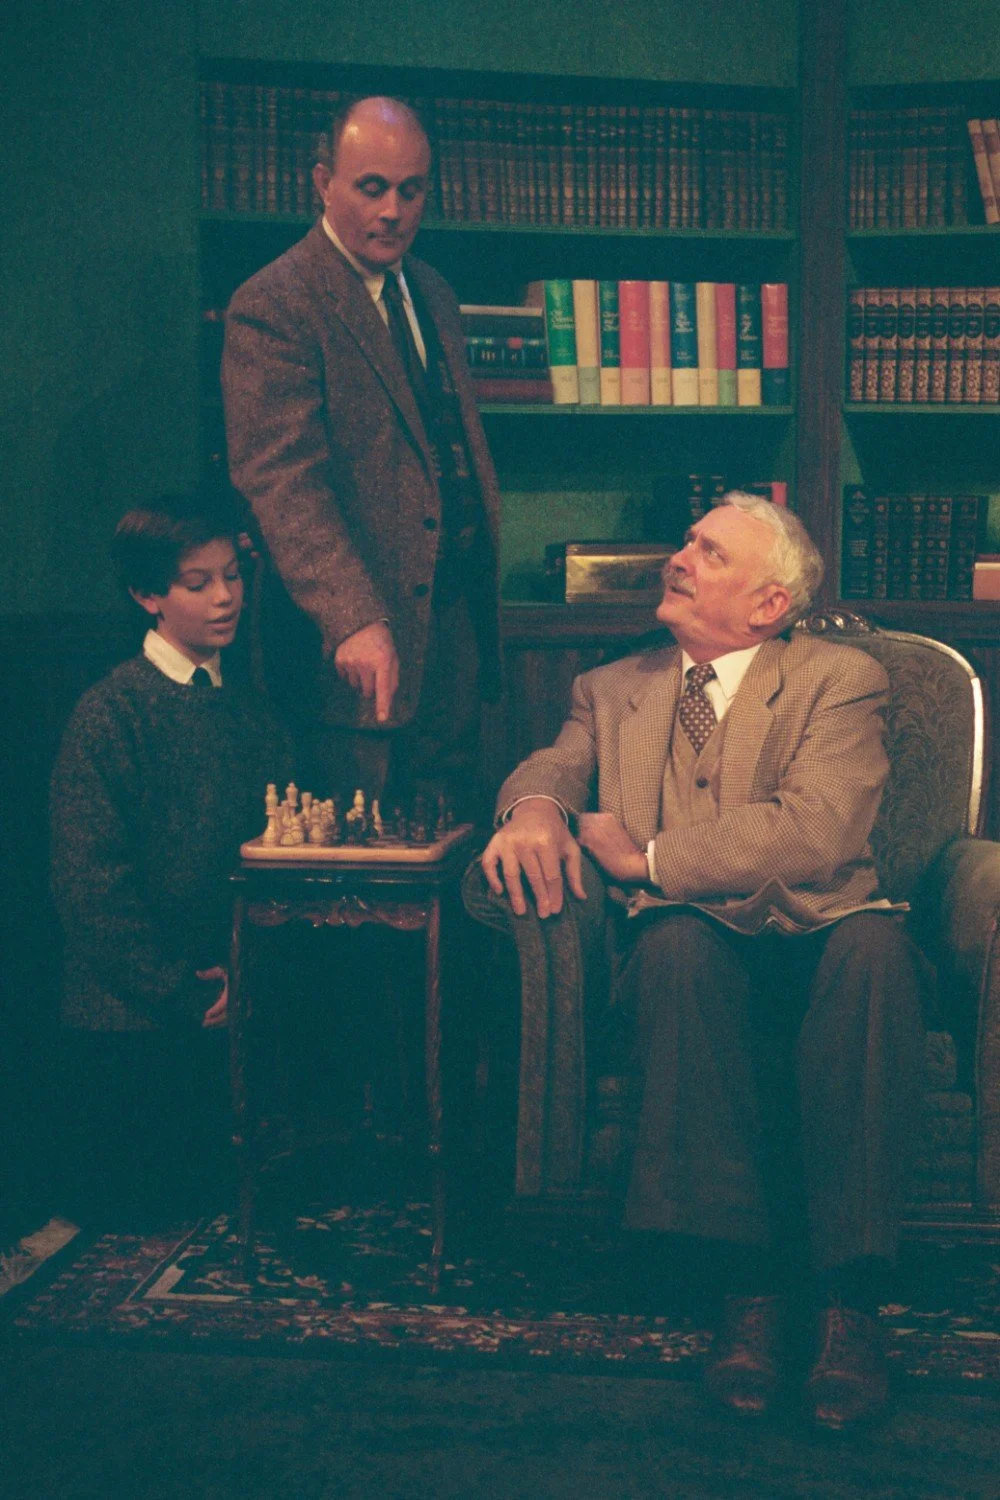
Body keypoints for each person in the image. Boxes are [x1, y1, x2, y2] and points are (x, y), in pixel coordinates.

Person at [480, 492, 926, 1431]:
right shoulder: (612, 688)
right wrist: (533, 811)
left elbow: (818, 829)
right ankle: (748, 1291)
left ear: (769, 605)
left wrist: (646, 862)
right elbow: (555, 766)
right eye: (685, 541)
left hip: (819, 929)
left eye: (709, 552)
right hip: (696, 942)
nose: (679, 557)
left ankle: (849, 1300)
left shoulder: (839, 678)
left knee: (878, 952)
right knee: (675, 945)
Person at [221, 95, 502, 821]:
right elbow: (281, 482)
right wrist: (350, 617)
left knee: (448, 845)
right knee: (351, 868)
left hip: (450, 628)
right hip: (351, 649)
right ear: (324, 182)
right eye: (371, 186)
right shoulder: (276, 303)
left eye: (412, 190)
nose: (394, 210)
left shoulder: (432, 291)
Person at [50, 492, 291, 1224]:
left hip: (226, 1003)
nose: (225, 598)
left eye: (232, 577)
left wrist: (237, 978)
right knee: (155, 1208)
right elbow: (90, 888)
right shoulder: (111, 712)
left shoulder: (253, 713)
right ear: (147, 595)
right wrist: (177, 989)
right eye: (197, 584)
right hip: (132, 1021)